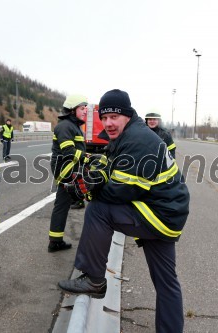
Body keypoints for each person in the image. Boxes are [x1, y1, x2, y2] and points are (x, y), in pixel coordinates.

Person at [58, 89, 190, 332]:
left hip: (159, 214)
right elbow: (111, 165)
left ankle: (94, 280)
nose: (108, 123)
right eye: (105, 117)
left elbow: (121, 192)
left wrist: (86, 191)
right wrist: (96, 172)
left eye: (114, 117)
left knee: (98, 210)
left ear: (127, 115)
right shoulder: (130, 134)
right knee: (166, 283)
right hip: (166, 210)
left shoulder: (138, 140)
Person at [48, 94, 89, 252]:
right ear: (72, 110)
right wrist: (89, 159)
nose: (86, 110)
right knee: (65, 203)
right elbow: (69, 152)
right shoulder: (66, 126)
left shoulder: (74, 126)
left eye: (86, 107)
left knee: (62, 204)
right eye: (82, 107)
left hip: (70, 168)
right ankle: (56, 242)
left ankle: (55, 241)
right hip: (66, 169)